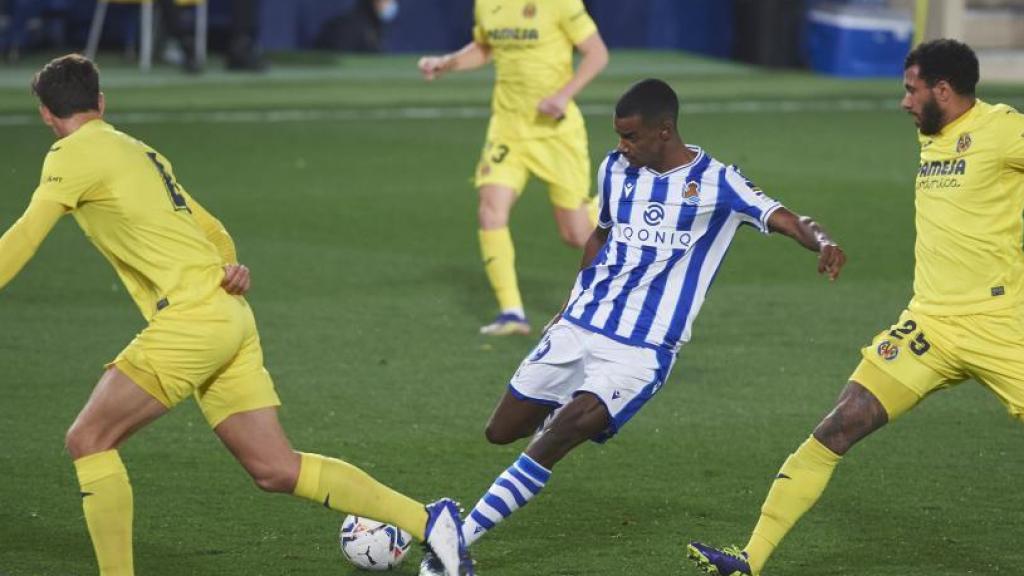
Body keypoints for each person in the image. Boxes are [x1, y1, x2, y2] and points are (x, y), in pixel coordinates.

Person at [0, 54, 472, 576]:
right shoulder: (140, 151)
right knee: (274, 468)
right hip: (228, 315)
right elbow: (214, 228)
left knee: (88, 441)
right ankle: (431, 521)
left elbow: (24, 235)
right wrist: (228, 267)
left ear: (46, 114)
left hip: (191, 323)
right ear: (102, 102)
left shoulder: (69, 155)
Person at [418, 78, 847, 575]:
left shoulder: (717, 182)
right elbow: (601, 234)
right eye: (619, 136)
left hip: (641, 351)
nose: (621, 146)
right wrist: (569, 303)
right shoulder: (615, 169)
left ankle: (458, 542)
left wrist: (824, 242)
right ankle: (472, 507)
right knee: (501, 431)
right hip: (581, 324)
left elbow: (789, 218)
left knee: (558, 435)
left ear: (664, 131)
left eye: (630, 137)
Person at [688, 38, 1024, 576]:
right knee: (837, 428)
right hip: (929, 325)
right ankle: (749, 559)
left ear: (943, 89)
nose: (904, 102)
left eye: (912, 90)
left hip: (999, 324)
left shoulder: (1003, 129)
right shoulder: (935, 135)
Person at [418, 0, 609, 336]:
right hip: (508, 128)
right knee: (490, 212)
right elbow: (484, 47)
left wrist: (564, 95)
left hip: (556, 131)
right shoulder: (486, 4)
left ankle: (612, 211)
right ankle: (511, 313)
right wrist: (446, 63)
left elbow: (597, 53)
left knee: (576, 234)